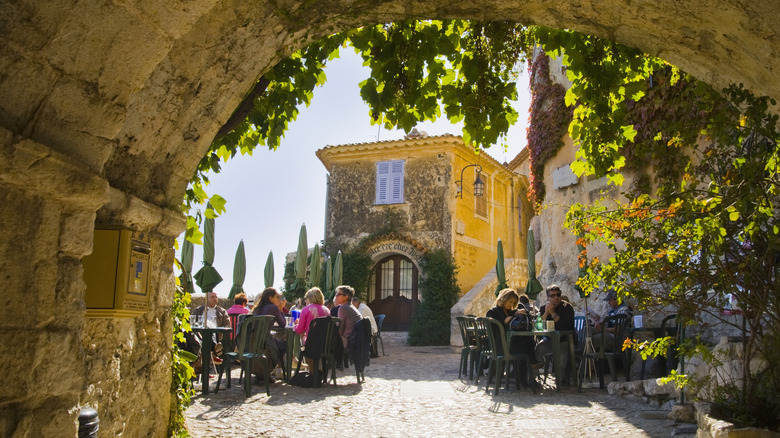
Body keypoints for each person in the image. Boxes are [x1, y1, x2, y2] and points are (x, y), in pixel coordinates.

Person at [486, 288, 539, 386]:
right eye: (509, 302)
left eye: (513, 303)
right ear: (503, 299)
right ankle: (526, 375)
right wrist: (508, 319)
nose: (511, 304)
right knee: (524, 349)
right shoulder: (493, 312)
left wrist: (522, 312)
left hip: (509, 342)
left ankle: (525, 375)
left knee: (527, 341)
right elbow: (497, 326)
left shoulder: (509, 311)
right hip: (500, 345)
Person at [535, 284, 575, 374]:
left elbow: (566, 327)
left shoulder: (567, 307)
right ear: (548, 298)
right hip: (549, 340)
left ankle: (560, 382)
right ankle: (534, 379)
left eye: (558, 294)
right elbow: (539, 326)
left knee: (561, 357)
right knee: (538, 349)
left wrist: (553, 313)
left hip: (564, 340)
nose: (556, 297)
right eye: (552, 296)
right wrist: (546, 312)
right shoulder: (543, 308)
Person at [252, 287, 287, 375]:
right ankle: (278, 370)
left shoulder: (258, 308)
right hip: (265, 342)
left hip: (253, 341)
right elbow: (283, 324)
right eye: (277, 297)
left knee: (276, 339)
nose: (279, 300)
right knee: (284, 344)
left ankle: (267, 371)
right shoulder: (273, 307)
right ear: (270, 298)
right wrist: (281, 308)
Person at [191, 291, 230, 365]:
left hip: (216, 334)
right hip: (200, 334)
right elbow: (192, 322)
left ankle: (204, 366)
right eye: (212, 297)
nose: (215, 299)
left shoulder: (222, 311)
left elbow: (227, 325)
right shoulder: (198, 310)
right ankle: (214, 347)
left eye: (216, 297)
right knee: (206, 327)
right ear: (206, 299)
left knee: (210, 328)